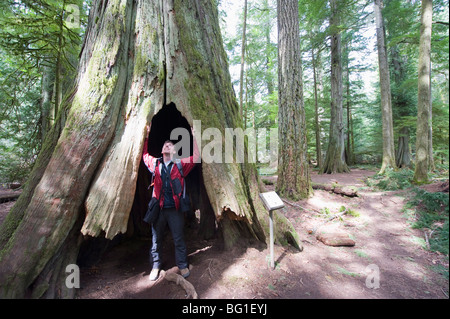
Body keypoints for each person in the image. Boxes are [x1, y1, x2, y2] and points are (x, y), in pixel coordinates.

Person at [142, 123, 200, 281]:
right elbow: (145, 155)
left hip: (175, 209)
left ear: (174, 151)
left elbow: (195, 157)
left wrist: (194, 135)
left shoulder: (181, 164)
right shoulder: (156, 164)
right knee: (156, 239)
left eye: (170, 145)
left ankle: (182, 264)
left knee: (178, 237)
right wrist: (146, 136)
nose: (167, 146)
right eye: (165, 145)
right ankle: (155, 266)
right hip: (158, 209)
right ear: (162, 150)